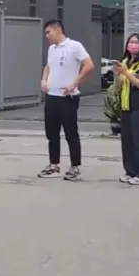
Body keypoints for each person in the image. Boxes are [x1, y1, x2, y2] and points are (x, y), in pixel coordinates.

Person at [38, 20, 95, 181]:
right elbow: (48, 66)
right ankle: (54, 165)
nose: (47, 36)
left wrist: (75, 82)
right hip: (52, 96)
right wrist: (44, 80)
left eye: (49, 32)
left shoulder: (74, 46)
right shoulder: (51, 49)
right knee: (52, 133)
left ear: (58, 30)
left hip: (67, 97)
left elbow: (89, 65)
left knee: (70, 133)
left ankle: (75, 167)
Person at [114, 33, 139, 186]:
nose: (133, 45)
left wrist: (126, 72)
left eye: (136, 42)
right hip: (126, 106)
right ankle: (130, 171)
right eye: (130, 42)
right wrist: (117, 74)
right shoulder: (125, 61)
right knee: (127, 141)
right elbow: (119, 86)